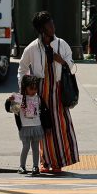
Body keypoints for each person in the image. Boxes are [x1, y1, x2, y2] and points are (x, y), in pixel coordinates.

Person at [18, 11, 79, 174]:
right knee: (42, 128)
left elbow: (72, 65)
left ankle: (59, 162)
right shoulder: (32, 48)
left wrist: (63, 61)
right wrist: (24, 88)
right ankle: (45, 162)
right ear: (41, 29)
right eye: (49, 25)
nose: (53, 27)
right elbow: (22, 68)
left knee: (61, 127)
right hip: (39, 93)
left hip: (58, 91)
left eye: (52, 23)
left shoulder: (62, 44)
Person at [5, 74, 48, 175]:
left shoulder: (38, 98)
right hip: (25, 127)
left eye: (35, 88)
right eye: (31, 88)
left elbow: (45, 113)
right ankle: (22, 166)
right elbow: (10, 110)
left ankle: (35, 166)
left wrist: (47, 126)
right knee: (26, 147)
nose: (34, 91)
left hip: (37, 126)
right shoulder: (19, 99)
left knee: (35, 148)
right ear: (25, 88)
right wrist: (8, 101)